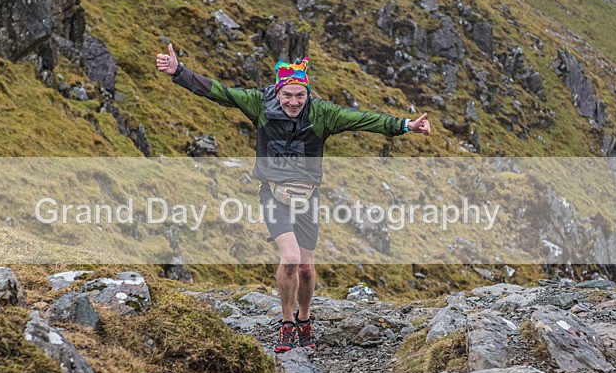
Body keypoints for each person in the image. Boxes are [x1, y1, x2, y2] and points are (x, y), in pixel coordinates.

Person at [156, 45, 431, 353]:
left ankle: (304, 317)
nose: (293, 102)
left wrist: (406, 125)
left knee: (306, 269)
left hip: (308, 198)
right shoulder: (260, 102)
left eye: (300, 95)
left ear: (307, 93)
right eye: (288, 95)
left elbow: (361, 119)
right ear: (278, 90)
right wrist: (179, 72)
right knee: (290, 258)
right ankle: (287, 323)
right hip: (273, 194)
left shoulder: (322, 113)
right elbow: (220, 92)